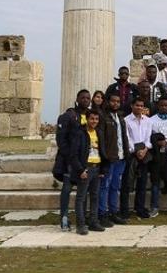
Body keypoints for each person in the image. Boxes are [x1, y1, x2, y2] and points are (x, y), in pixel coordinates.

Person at [54, 89, 90, 231]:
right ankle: (64, 217)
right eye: (83, 97)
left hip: (85, 160)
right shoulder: (68, 116)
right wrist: (70, 157)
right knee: (67, 189)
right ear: (77, 98)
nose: (86, 100)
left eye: (88, 98)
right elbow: (61, 140)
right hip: (70, 160)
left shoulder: (90, 116)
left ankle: (82, 218)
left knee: (84, 190)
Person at [65, 109, 105, 235]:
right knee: (81, 198)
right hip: (85, 169)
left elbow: (102, 151)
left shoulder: (98, 132)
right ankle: (80, 224)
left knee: (95, 196)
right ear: (87, 119)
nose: (94, 121)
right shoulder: (80, 133)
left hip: (97, 167)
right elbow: (73, 154)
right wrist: (80, 170)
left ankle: (93, 222)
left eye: (96, 119)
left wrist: (102, 169)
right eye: (92, 119)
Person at [98, 92, 130, 227]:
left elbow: (124, 136)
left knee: (115, 186)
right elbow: (101, 140)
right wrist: (104, 157)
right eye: (113, 101)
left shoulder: (120, 117)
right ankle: (102, 214)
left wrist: (126, 153)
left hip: (121, 157)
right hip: (109, 158)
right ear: (108, 102)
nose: (115, 103)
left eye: (118, 101)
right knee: (105, 186)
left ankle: (113, 212)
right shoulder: (103, 117)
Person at [123, 96, 154, 219]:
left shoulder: (148, 120)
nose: (139, 108)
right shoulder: (126, 120)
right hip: (131, 154)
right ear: (132, 106)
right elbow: (127, 138)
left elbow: (148, 138)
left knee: (142, 184)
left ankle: (139, 208)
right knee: (127, 183)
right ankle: (124, 210)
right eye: (137, 105)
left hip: (144, 153)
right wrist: (136, 151)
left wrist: (145, 149)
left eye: (141, 106)